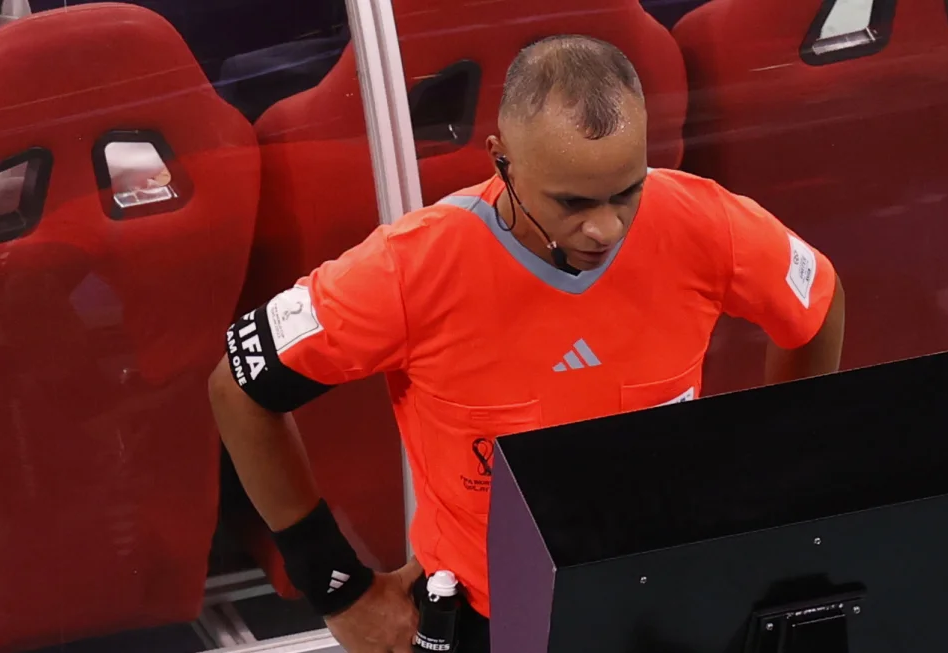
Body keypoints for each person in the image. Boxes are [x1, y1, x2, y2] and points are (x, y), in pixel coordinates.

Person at [208, 34, 845, 653]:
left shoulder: (704, 225)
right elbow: (239, 392)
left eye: (627, 191)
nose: (605, 227)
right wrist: (338, 589)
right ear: (501, 159)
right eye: (572, 202)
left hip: (664, 604)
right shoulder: (412, 269)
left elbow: (817, 303)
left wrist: (773, 481)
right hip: (491, 622)